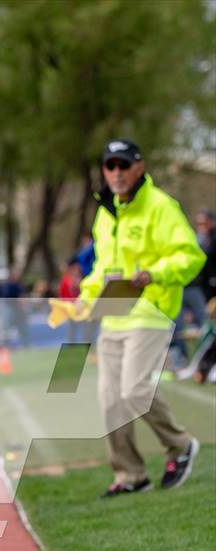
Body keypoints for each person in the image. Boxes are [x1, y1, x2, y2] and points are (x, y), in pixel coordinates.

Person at [78, 139, 206, 497]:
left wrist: (155, 273)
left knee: (134, 391)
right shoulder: (105, 212)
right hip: (114, 312)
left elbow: (191, 256)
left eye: (124, 165)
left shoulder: (161, 206)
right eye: (110, 165)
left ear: (139, 167)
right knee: (110, 400)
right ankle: (131, 475)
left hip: (151, 308)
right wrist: (84, 298)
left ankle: (180, 446)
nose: (117, 172)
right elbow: (102, 267)